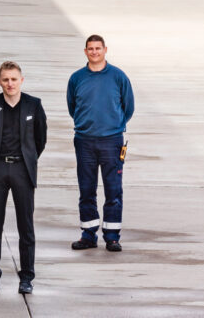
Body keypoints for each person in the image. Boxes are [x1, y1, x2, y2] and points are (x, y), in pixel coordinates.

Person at [0, 61, 47, 295]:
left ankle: (26, 277)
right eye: (5, 79)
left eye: (14, 79)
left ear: (21, 80)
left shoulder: (33, 105)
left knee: (25, 226)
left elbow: (40, 140)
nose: (10, 84)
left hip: (22, 170)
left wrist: (27, 159)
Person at [67, 34, 135, 252]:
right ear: (85, 51)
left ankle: (112, 236)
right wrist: (85, 124)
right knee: (86, 189)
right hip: (84, 140)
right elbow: (72, 106)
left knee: (113, 191)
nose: (94, 52)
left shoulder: (118, 76)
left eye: (98, 48)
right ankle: (88, 234)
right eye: (90, 48)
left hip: (112, 141)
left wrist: (113, 125)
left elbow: (129, 106)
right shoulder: (77, 78)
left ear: (105, 50)